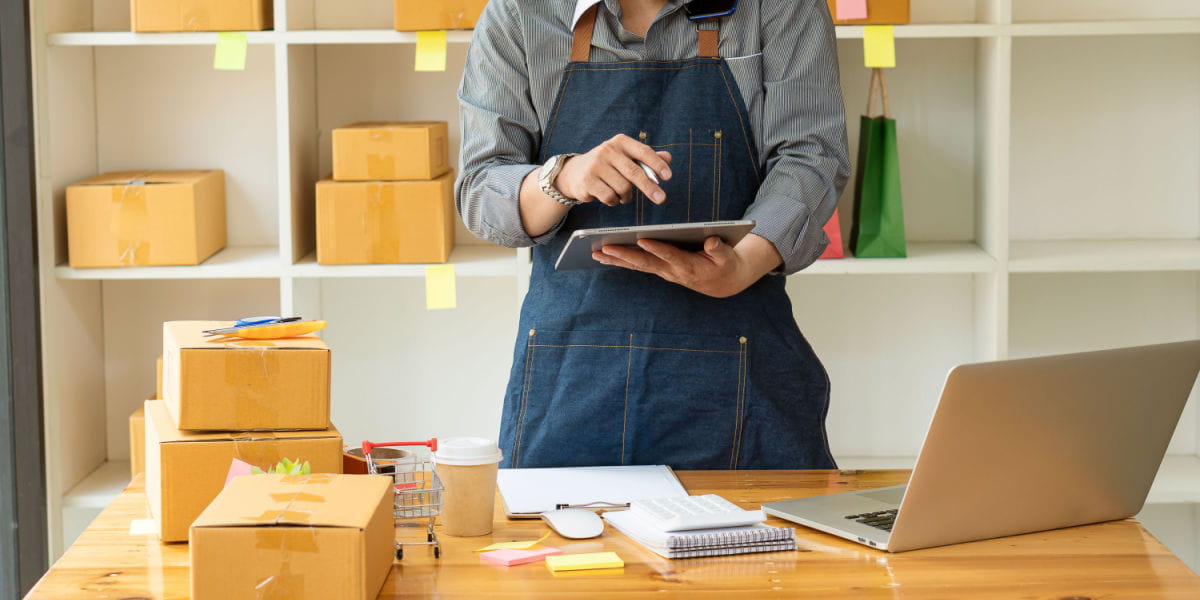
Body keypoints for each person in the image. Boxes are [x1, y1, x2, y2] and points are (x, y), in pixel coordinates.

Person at [456, 0, 850, 470]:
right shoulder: (519, 13)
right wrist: (562, 178)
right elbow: (482, 192)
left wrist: (743, 263)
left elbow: (811, 156)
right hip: (570, 377)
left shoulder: (782, 7)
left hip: (739, 364)